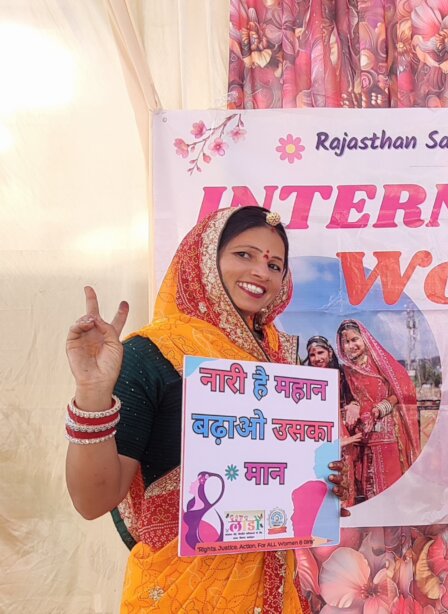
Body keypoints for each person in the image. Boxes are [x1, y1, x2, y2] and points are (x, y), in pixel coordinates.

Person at [63, 206, 351, 613]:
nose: (261, 272)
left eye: (274, 265)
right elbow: (93, 502)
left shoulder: (280, 366)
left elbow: (280, 483)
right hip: (181, 593)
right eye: (244, 255)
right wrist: (92, 392)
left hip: (272, 592)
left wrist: (322, 481)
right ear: (204, 259)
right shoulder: (153, 355)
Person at [337, 319, 420, 500]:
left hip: (387, 434)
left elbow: (405, 389)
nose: (351, 345)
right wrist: (354, 405)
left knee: (390, 487)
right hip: (363, 437)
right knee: (367, 490)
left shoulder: (379, 361)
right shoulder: (346, 370)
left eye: (354, 340)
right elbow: (348, 398)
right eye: (346, 342)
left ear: (364, 339)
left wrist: (383, 407)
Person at [303, 335, 362, 506]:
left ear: (330, 353)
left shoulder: (343, 375)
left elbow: (357, 397)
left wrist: (354, 405)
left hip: (341, 430)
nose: (316, 358)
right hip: (316, 432)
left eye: (320, 353)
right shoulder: (305, 378)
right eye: (312, 355)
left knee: (343, 476)